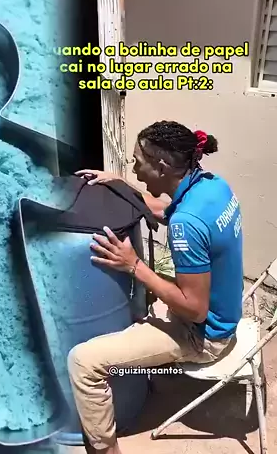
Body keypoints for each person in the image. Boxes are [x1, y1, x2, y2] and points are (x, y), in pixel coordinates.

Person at [69, 120, 244, 454]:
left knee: (83, 362)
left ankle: (106, 451)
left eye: (137, 162)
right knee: (143, 301)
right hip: (226, 313)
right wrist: (120, 184)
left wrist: (134, 265)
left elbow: (195, 309)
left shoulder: (185, 226)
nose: (134, 168)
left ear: (162, 167)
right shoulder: (212, 186)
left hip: (204, 335)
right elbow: (165, 208)